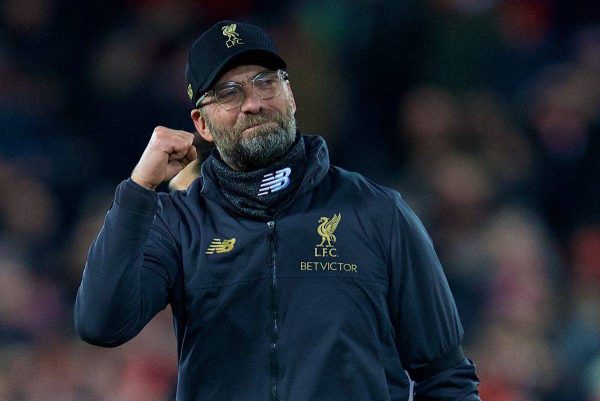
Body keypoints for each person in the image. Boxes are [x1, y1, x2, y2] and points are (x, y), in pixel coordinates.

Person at [74, 20, 481, 401]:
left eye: (265, 83)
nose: (252, 103)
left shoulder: (376, 212)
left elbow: (446, 376)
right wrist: (138, 189)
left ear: (290, 95)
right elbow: (101, 323)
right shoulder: (179, 222)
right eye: (229, 93)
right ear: (201, 123)